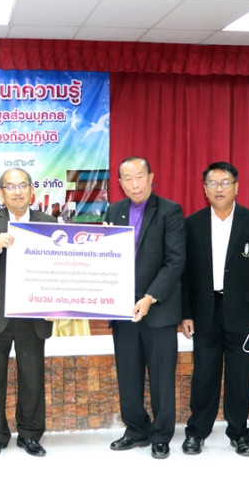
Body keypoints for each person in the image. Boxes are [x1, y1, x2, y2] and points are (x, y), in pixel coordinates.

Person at [181, 162, 249, 457]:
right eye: (213, 183)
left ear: (236, 187)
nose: (219, 188)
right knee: (204, 375)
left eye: (225, 183)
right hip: (205, 311)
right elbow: (185, 274)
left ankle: (239, 433)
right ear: (204, 189)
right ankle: (197, 432)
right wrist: (186, 313)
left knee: (241, 376)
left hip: (245, 314)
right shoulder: (192, 224)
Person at [0, 167, 56, 458]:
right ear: (1, 192)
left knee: (32, 377)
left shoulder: (48, 222)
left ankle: (30, 434)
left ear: (31, 190)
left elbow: (59, 268)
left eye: (22, 185)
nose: (17, 191)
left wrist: (56, 302)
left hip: (33, 312)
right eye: (10, 186)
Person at [102, 156, 185, 459]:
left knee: (162, 377)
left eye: (140, 176)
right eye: (128, 178)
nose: (135, 184)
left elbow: (175, 261)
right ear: (120, 183)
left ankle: (161, 435)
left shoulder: (170, 211)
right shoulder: (114, 211)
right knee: (129, 375)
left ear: (151, 177)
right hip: (122, 311)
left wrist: (150, 298)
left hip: (158, 310)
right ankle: (136, 429)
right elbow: (106, 257)